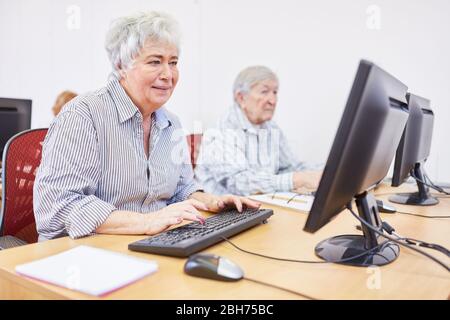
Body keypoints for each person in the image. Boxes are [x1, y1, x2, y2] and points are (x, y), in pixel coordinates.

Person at [33, 11, 260, 240]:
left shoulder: (172, 123)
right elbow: (59, 206)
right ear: (121, 65)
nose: (168, 74)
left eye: (173, 62)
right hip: (85, 254)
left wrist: (213, 201)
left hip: (151, 243)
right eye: (155, 62)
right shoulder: (83, 115)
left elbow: (182, 189)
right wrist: (147, 221)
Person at [195, 66, 322, 196]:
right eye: (264, 92)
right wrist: (296, 179)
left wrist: (328, 173)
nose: (272, 100)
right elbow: (239, 183)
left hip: (260, 203)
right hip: (222, 212)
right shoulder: (223, 130)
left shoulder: (270, 127)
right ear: (241, 98)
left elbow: (290, 167)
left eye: (275, 92)